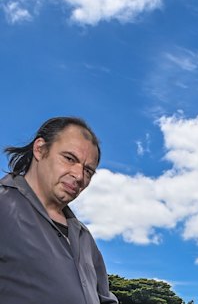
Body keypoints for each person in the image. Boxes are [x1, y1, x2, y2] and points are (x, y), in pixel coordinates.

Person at [0, 117, 118, 304]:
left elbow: (104, 298)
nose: (79, 176)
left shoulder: (84, 236)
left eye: (88, 171)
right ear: (40, 149)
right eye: (69, 159)